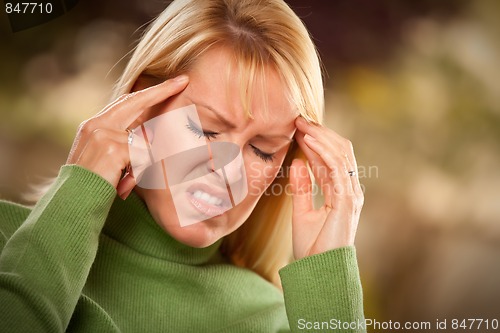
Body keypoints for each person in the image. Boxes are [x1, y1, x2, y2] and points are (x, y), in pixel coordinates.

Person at [0, 0, 365, 331]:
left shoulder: (277, 321)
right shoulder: (9, 246)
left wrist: (327, 287)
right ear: (141, 105)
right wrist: (78, 195)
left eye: (263, 150)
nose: (228, 172)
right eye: (205, 129)